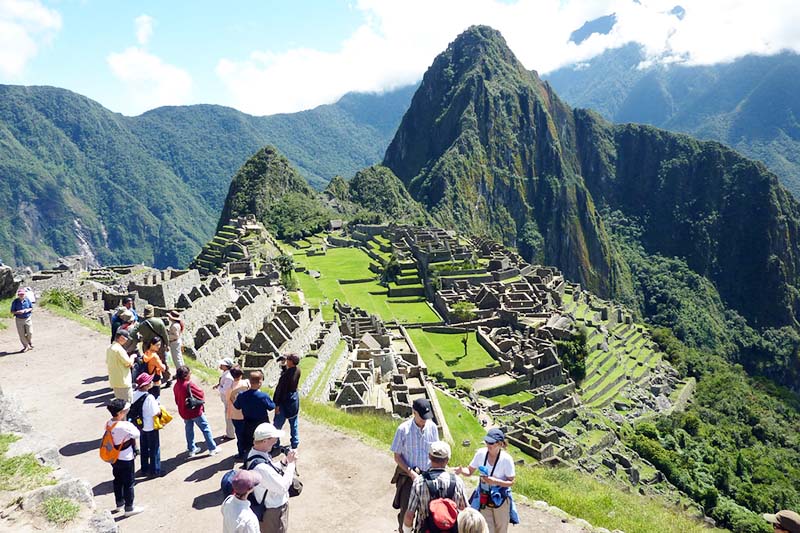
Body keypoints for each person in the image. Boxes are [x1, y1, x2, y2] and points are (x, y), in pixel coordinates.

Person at [391, 398, 439, 533]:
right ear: (414, 413)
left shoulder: (432, 427)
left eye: (427, 417)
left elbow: (435, 451)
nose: (425, 420)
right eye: (422, 417)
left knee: (428, 512)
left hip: (428, 476)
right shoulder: (403, 430)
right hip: (408, 476)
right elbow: (397, 456)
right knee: (407, 510)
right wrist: (410, 472)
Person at [456, 429, 515, 533]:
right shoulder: (481, 454)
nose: (488, 445)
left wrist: (495, 481)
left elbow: (511, 482)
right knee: (487, 529)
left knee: (501, 529)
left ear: (499, 444)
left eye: (491, 443)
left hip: (500, 499)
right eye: (487, 442)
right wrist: (461, 471)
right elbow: (469, 471)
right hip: (484, 496)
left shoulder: (506, 459)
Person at [403, 440, 467, 533]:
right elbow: (466, 511)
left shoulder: (419, 482)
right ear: (447, 460)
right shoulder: (458, 482)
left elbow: (409, 515)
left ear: (429, 457)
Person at [247, 423, 297, 533]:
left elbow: (270, 470)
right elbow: (283, 487)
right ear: (265, 441)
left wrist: (284, 462)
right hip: (273, 511)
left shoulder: (255, 454)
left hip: (266, 507)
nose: (276, 440)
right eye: (273, 438)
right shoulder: (261, 468)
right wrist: (291, 464)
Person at [104, 398, 144, 517]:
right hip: (126, 457)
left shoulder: (109, 423)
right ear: (120, 413)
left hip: (114, 457)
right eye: (125, 410)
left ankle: (119, 503)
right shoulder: (125, 425)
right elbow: (137, 434)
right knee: (129, 482)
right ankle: (129, 507)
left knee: (118, 479)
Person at [173, 365, 218, 457]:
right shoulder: (188, 384)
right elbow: (200, 393)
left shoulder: (176, 385)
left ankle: (192, 449)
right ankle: (212, 448)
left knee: (189, 430)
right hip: (195, 412)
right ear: (185, 375)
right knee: (205, 428)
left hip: (184, 412)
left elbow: (177, 400)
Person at [233, 370, 275, 457]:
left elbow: (237, 406)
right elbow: (271, 407)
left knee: (249, 444)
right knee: (265, 443)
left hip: (248, 423)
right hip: (262, 423)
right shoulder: (263, 396)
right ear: (260, 382)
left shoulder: (242, 395)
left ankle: (247, 461)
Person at [131, 373, 162, 478]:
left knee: (144, 448)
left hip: (140, 426)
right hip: (150, 426)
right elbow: (156, 412)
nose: (151, 383)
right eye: (149, 382)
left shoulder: (134, 394)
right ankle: (155, 470)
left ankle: (144, 468)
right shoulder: (149, 398)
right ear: (145, 385)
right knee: (154, 449)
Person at [131, 305, 171, 381]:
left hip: (147, 346)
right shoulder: (159, 322)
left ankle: (150, 379)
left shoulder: (142, 324)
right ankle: (167, 377)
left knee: (149, 363)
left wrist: (139, 339)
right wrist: (167, 344)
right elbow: (165, 335)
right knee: (162, 361)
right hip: (159, 345)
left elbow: (132, 333)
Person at [273, 354, 301, 450]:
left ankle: (275, 443)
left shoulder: (284, 378)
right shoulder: (298, 370)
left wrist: (276, 405)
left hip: (284, 402)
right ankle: (295, 442)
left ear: (291, 362)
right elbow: (289, 374)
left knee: (277, 425)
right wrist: (284, 365)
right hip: (294, 401)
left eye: (288, 359)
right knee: (294, 423)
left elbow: (280, 390)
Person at [226, 366, 250, 460]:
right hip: (247, 413)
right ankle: (249, 452)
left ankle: (241, 453)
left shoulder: (230, 388)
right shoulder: (247, 383)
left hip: (236, 415)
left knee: (240, 436)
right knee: (248, 434)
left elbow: (229, 401)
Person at [107, 329, 136, 402]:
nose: (127, 341)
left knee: (120, 405)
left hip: (115, 381)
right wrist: (133, 357)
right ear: (121, 338)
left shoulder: (109, 348)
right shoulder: (119, 349)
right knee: (128, 404)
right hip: (123, 382)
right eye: (126, 338)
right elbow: (128, 363)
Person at [214, 357, 236, 440]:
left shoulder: (228, 377)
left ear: (226, 366)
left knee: (229, 417)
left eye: (222, 365)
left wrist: (219, 387)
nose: (220, 365)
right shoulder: (226, 374)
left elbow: (225, 390)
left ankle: (230, 434)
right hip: (227, 399)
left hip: (228, 399)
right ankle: (231, 433)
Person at [10, 287, 33, 352]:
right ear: (18, 295)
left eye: (22, 294)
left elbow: (31, 308)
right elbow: (12, 311)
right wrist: (18, 312)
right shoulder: (15, 301)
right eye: (20, 294)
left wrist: (27, 310)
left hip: (27, 318)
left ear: (24, 294)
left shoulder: (27, 300)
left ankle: (29, 342)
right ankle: (26, 346)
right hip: (19, 319)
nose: (21, 295)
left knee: (30, 332)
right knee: (21, 334)